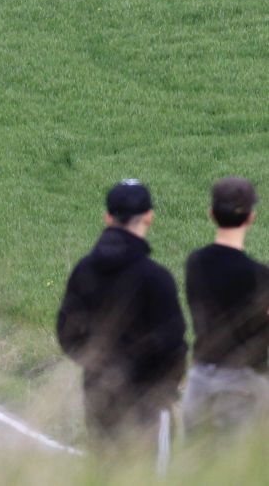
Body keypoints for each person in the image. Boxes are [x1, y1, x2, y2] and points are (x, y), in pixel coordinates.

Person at [56, 179, 187, 449]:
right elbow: (174, 342)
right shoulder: (156, 278)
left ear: (107, 217)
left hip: (97, 393)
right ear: (149, 217)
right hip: (148, 399)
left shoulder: (84, 270)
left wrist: (95, 366)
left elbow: (66, 331)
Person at [182, 176, 269, 439]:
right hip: (244, 382)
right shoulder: (260, 275)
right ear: (251, 217)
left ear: (212, 213)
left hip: (201, 379)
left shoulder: (196, 263)